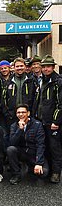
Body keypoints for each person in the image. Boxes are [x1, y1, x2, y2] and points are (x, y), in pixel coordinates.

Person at [7, 104, 49, 185]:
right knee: (10, 149)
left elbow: (41, 144)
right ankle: (16, 175)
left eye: (23, 112)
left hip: (34, 153)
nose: (21, 114)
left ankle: (31, 166)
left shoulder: (37, 124)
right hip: (22, 152)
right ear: (16, 114)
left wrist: (39, 163)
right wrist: (20, 129)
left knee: (44, 173)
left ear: (28, 113)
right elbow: (12, 142)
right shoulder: (13, 126)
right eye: (18, 112)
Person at [37, 55, 62, 183]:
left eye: (48, 66)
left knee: (55, 147)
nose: (46, 69)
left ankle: (56, 173)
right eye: (44, 67)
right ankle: (49, 170)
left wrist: (56, 121)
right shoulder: (42, 80)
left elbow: (60, 104)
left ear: (53, 67)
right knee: (44, 146)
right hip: (42, 120)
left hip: (52, 122)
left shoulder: (58, 81)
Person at [2, 57, 38, 133]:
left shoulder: (32, 81)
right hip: (12, 116)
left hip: (28, 115)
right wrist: (7, 114)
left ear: (25, 67)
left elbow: (36, 98)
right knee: (14, 137)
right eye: (17, 66)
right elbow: (3, 99)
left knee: (29, 137)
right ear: (13, 68)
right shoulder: (8, 82)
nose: (19, 68)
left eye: (21, 66)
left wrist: (32, 112)